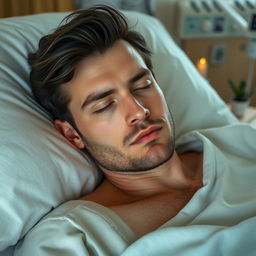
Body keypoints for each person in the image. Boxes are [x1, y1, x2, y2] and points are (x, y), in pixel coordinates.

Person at [15, 5, 256, 256]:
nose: (139, 111)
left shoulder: (241, 143)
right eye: (105, 105)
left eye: (143, 85)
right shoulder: (75, 239)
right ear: (72, 135)